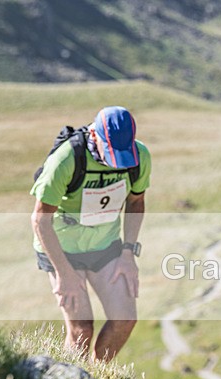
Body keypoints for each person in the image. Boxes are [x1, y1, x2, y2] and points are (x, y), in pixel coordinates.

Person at [31, 106, 151, 362]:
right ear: (94, 135)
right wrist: (64, 273)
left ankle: (98, 378)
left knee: (125, 319)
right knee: (82, 330)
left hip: (105, 247)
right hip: (62, 250)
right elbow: (40, 220)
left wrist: (129, 252)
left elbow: (136, 202)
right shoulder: (67, 159)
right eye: (111, 154)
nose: (116, 162)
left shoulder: (139, 157)